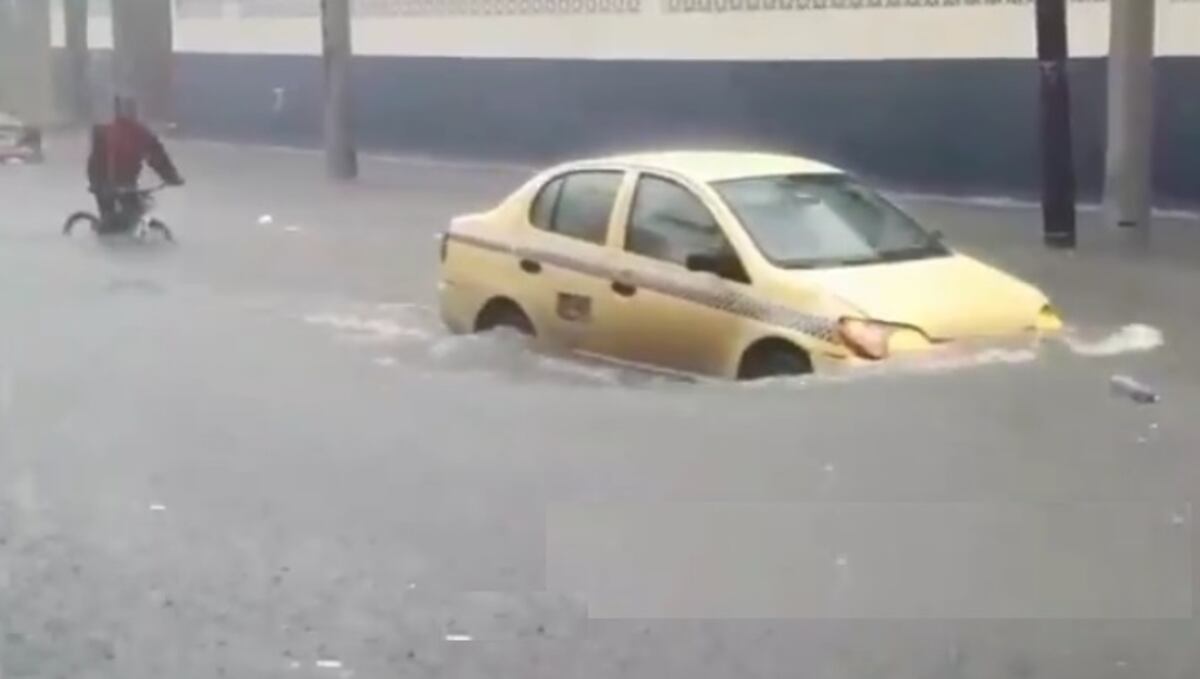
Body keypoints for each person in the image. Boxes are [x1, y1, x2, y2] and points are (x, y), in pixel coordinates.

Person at [86, 96, 184, 233]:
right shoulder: (110, 132)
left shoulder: (138, 132)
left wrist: (171, 176)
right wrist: (171, 177)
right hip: (107, 184)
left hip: (123, 184)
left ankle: (119, 235)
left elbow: (157, 156)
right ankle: (106, 240)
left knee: (130, 214)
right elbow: (158, 157)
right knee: (111, 219)